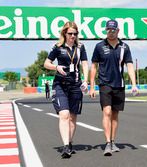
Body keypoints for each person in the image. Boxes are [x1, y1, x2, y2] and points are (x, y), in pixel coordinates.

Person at [89, 19, 138, 156]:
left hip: (119, 85)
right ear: (106, 31)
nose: (110, 32)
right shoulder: (99, 46)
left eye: (113, 30)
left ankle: (112, 140)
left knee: (115, 115)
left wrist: (134, 84)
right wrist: (92, 86)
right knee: (107, 112)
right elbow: (93, 66)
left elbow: (129, 65)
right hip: (104, 84)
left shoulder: (125, 47)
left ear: (118, 30)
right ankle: (107, 143)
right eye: (108, 30)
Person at [44, 21, 89, 158]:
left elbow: (85, 64)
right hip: (60, 84)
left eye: (75, 34)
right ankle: (65, 147)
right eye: (70, 33)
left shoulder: (81, 47)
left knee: (73, 117)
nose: (73, 36)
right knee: (64, 114)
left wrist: (86, 80)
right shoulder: (57, 47)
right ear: (64, 33)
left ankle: (69, 143)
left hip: (76, 85)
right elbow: (46, 63)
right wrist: (56, 67)